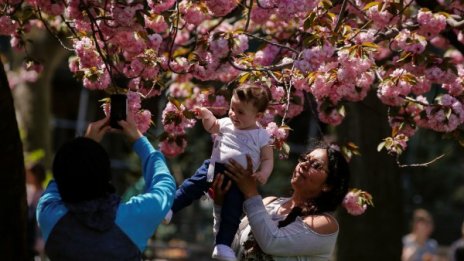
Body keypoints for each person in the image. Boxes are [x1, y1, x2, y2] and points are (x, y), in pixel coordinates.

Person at [36, 114, 176, 260]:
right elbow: (164, 184)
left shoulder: (48, 214)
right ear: (107, 176)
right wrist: (139, 140)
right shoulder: (132, 217)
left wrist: (84, 146)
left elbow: (61, 179)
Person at [167, 85, 274, 260]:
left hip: (238, 179)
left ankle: (223, 245)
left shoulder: (262, 136)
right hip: (214, 167)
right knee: (191, 186)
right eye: (232, 108)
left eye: (240, 112)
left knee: (231, 213)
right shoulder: (226, 123)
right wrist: (207, 116)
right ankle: (170, 208)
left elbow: (268, 159)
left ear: (258, 116)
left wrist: (264, 173)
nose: (233, 114)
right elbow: (212, 126)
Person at [213, 144, 350, 260]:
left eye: (316, 165)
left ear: (328, 185)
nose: (303, 165)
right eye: (305, 159)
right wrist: (220, 207)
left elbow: (271, 242)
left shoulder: (326, 224)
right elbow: (231, 248)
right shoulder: (268, 203)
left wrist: (250, 192)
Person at [26, 162, 46, 260]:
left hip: (38, 236)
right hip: (30, 235)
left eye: (29, 174)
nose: (27, 177)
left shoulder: (42, 194)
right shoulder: (28, 191)